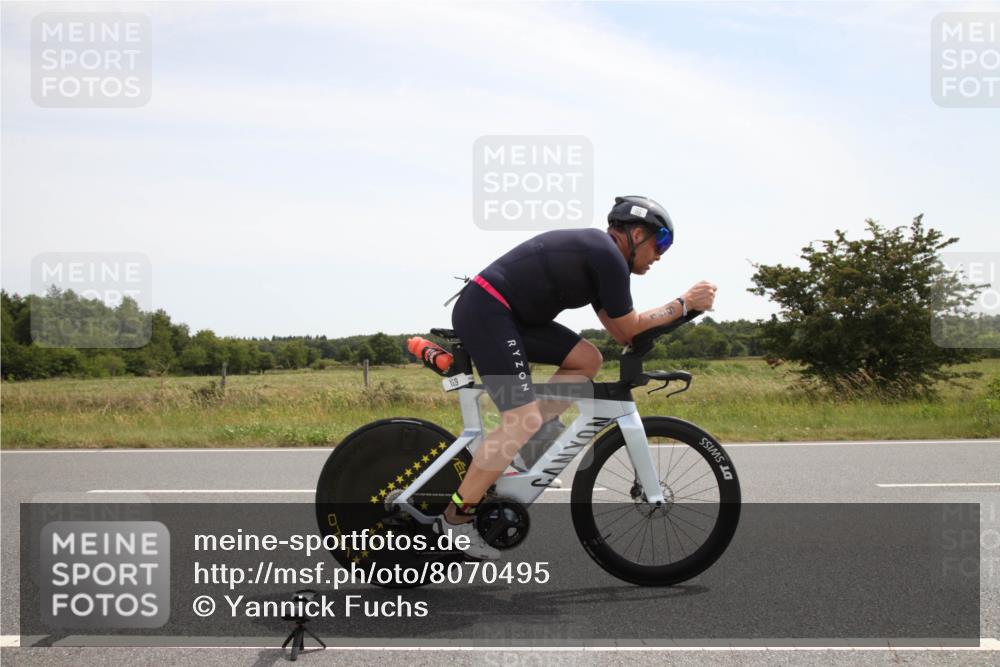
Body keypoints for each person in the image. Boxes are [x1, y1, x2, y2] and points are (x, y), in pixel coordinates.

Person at [435, 195, 718, 559]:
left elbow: (624, 333)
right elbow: (632, 326)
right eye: (660, 242)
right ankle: (455, 520)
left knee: (586, 359)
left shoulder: (604, 262)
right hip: (488, 311)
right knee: (521, 418)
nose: (660, 255)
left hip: (509, 316)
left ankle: (523, 451)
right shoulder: (606, 255)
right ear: (636, 234)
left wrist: (682, 311)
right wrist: (683, 303)